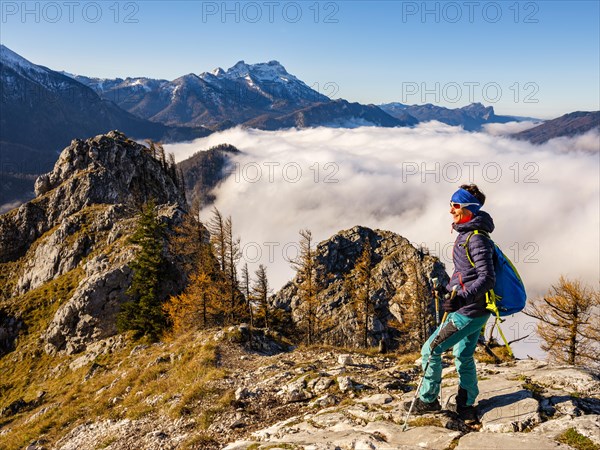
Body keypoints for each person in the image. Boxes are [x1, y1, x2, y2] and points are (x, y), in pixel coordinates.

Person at [403, 184, 494, 421]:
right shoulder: (468, 234)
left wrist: (461, 298)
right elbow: (466, 273)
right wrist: (447, 289)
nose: (451, 210)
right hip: (475, 309)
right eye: (451, 205)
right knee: (463, 355)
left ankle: (428, 400)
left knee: (431, 349)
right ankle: (466, 404)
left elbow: (487, 278)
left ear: (468, 209)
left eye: (455, 205)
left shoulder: (476, 240)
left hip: (469, 310)